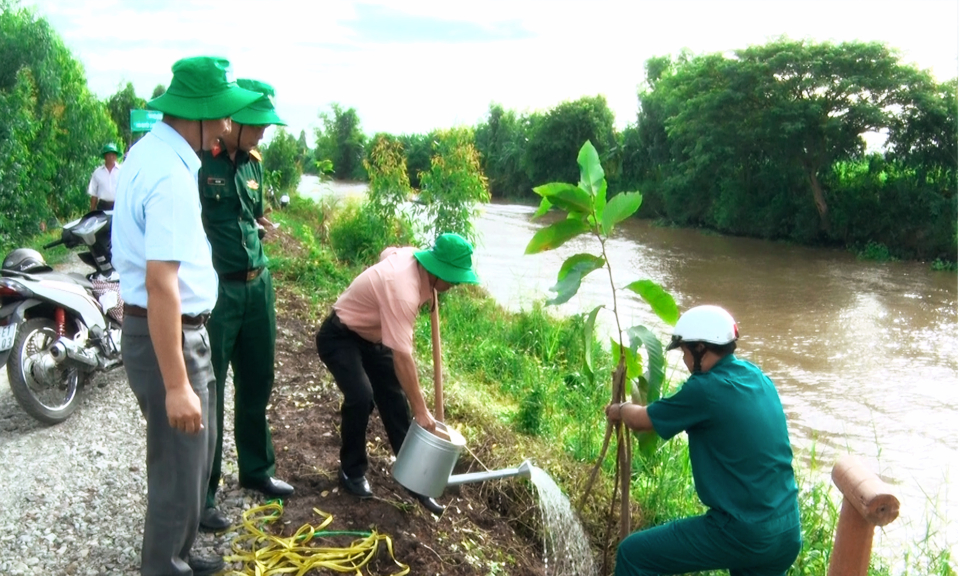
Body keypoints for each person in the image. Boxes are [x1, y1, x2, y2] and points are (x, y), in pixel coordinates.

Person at [111, 56, 260, 576]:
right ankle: (164, 566)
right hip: (169, 336)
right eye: (220, 114)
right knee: (178, 466)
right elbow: (160, 282)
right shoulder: (170, 177)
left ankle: (180, 552)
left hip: (176, 333)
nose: (226, 125)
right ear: (197, 113)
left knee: (194, 455)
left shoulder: (153, 155)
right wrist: (176, 383)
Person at [604, 305, 801, 576]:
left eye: (684, 352)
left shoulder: (705, 389)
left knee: (634, 554)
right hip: (788, 530)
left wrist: (619, 409)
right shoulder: (757, 376)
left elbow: (642, 420)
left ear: (700, 348)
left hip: (743, 530)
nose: (684, 361)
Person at [314, 233, 480, 516]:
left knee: (394, 400)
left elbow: (385, 252)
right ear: (437, 269)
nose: (454, 284)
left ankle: (415, 480)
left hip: (374, 338)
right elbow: (402, 357)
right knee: (361, 396)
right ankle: (351, 472)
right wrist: (422, 410)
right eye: (452, 278)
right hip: (340, 336)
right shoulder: (402, 291)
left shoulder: (415, 258)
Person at [196, 79, 293, 533]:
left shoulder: (255, 165)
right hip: (219, 293)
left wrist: (259, 223)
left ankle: (256, 469)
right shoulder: (199, 164)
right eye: (256, 127)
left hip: (259, 287)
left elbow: (248, 213)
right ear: (232, 122)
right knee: (210, 392)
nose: (263, 135)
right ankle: (205, 493)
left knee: (258, 381)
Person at [88, 142, 121, 211]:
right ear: (105, 156)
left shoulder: (122, 171)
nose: (111, 157)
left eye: (113, 155)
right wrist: (92, 212)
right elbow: (94, 195)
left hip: (118, 206)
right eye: (109, 155)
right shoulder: (97, 173)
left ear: (116, 156)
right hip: (103, 206)